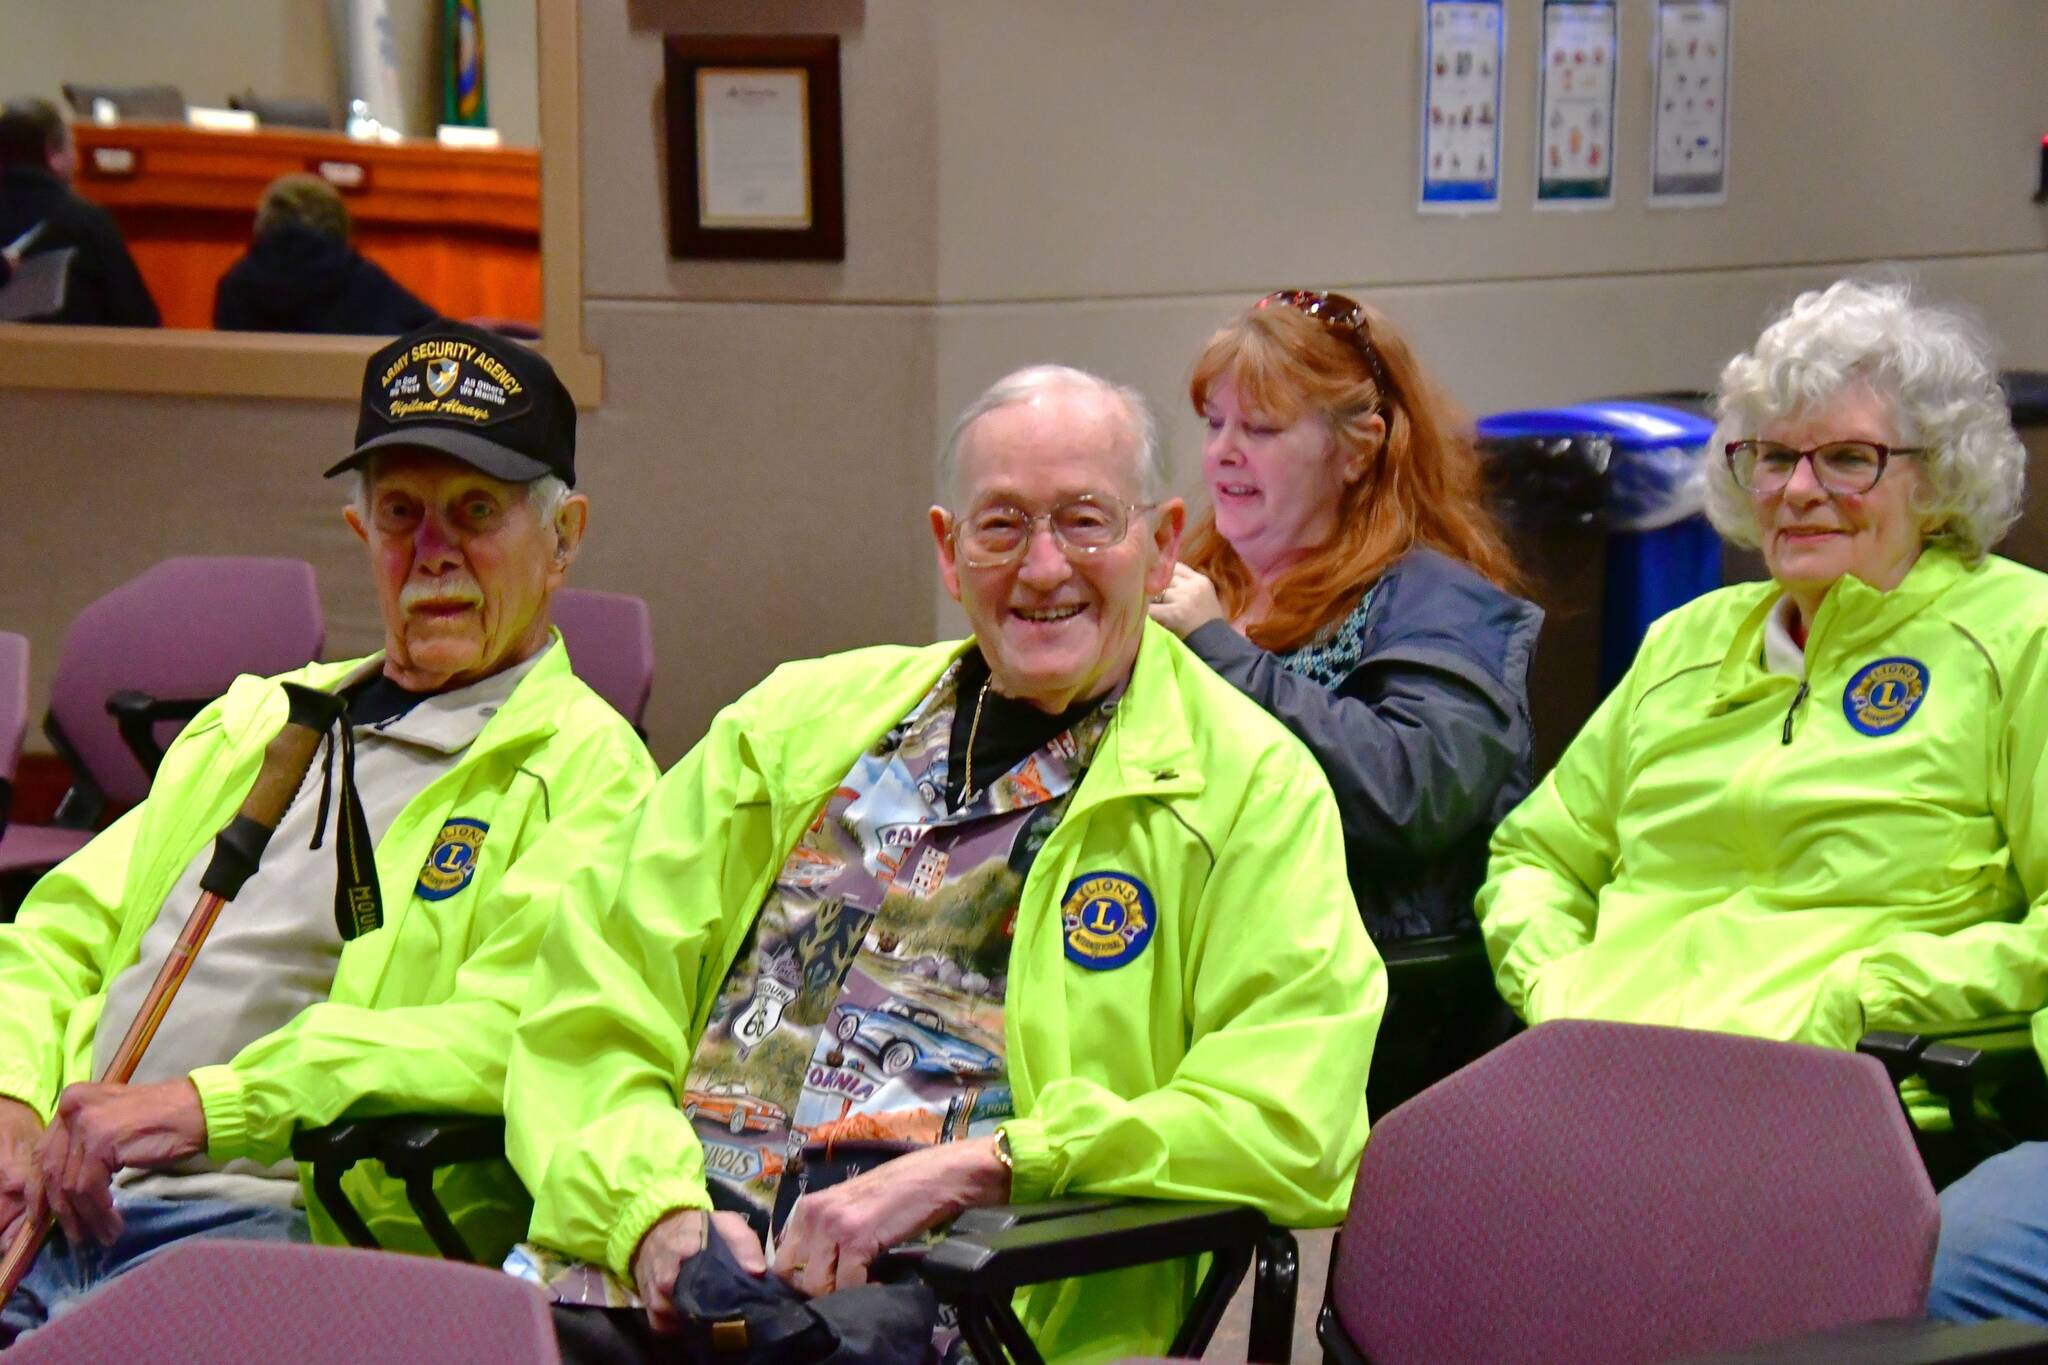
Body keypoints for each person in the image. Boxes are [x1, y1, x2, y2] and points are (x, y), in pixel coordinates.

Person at [503, 365, 1382, 1363]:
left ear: (1162, 543)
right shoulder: (793, 726)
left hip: (959, 1311)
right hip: (650, 1279)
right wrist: (651, 1216)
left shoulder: (1246, 791)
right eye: (1001, 526)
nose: (1043, 568)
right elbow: (591, 1003)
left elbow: (1291, 1119)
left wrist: (987, 1165)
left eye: (1085, 522)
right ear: (948, 551)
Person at [0, 321, 656, 1337]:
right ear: (361, 533)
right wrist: (11, 1101)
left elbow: (511, 1035)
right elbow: (58, 937)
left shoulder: (587, 772)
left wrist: (211, 1104)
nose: (433, 551)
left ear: (563, 537)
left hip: (274, 1226)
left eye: (475, 511)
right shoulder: (255, 721)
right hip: (52, 1199)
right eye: (402, 513)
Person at [1477, 279, 2048, 1065]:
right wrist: (1560, 989)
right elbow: (1537, 858)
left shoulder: (2021, 636)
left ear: (1937, 479)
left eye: (1849, 459)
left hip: (1843, 1092)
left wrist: (1863, 996)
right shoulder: (1685, 644)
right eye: (1776, 458)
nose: (1800, 491)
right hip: (1609, 1077)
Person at [1148, 288, 1538, 1113]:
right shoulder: (1191, 581)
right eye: (1214, 424)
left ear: (1356, 451)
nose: (1223, 453)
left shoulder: (1442, 602)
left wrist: (1221, 651)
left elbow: (1408, 792)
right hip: (1173, 973)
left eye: (1261, 430)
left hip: (1369, 1030)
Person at [213, 173, 439, 335]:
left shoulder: (236, 285)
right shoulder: (364, 281)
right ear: (340, 225)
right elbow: (438, 338)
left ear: (263, 224)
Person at [0, 97, 158, 327]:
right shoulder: (88, 223)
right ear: (53, 154)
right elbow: (140, 324)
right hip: (69, 351)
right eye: (71, 146)